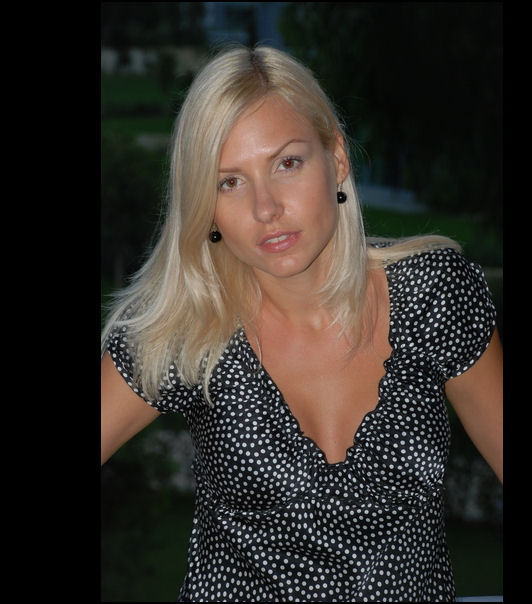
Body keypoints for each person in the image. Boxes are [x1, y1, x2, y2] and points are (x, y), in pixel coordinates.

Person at [101, 44, 502, 602]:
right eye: (229, 182)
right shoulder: (188, 331)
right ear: (205, 205)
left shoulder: (433, 296)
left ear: (336, 158)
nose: (265, 208)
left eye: (287, 163)